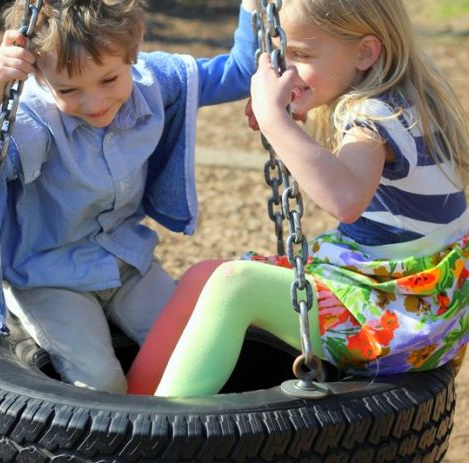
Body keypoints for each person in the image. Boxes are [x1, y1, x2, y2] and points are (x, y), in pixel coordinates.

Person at [127, 0, 469, 397]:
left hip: (402, 313)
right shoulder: (401, 98)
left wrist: (275, 121)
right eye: (278, 54)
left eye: (302, 56)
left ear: (365, 52)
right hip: (397, 292)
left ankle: (166, 432)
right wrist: (289, 121)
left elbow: (345, 199)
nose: (286, 71)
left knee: (233, 286)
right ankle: (133, 411)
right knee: (200, 277)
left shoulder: (374, 114)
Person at [0, 0, 258, 393]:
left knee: (201, 351)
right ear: (37, 71)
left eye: (109, 80)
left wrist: (254, 5)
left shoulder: (153, 82)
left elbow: (240, 72)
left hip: (126, 263)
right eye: (69, 89)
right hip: (48, 277)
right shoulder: (36, 124)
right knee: (103, 383)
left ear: (135, 45)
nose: (94, 103)